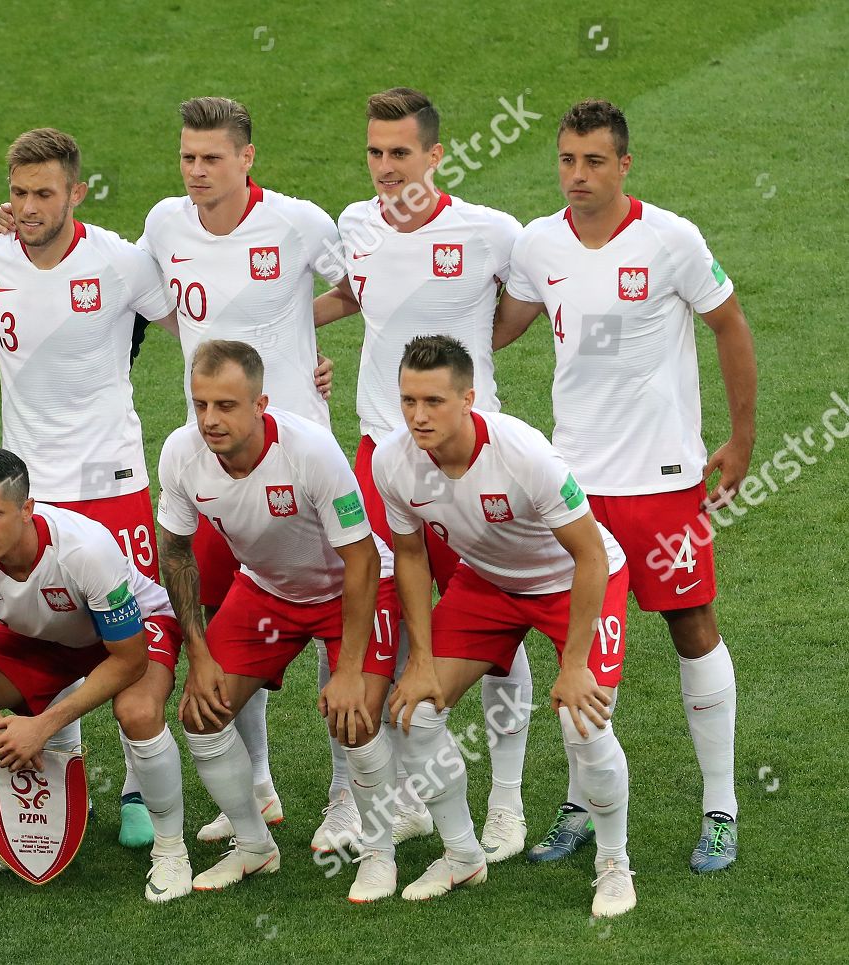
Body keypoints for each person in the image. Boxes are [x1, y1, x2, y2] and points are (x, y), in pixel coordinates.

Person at [493, 99, 756, 873]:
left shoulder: (671, 239)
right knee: (573, 640)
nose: (577, 175)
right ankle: (580, 801)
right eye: (568, 160)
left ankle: (720, 805)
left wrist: (740, 440)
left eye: (594, 161)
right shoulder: (540, 244)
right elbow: (500, 326)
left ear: (624, 164)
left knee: (690, 624)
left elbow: (730, 325)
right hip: (573, 487)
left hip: (664, 481)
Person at [0, 127, 177, 847]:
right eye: (19, 193)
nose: (28, 207)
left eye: (43, 193)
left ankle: (134, 785)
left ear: (76, 192)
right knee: (40, 624)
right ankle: (47, 773)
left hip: (110, 479)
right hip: (24, 487)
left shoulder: (121, 261)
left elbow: (191, 328)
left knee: (128, 637)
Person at [312, 87, 533, 861]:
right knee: (399, 621)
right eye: (374, 151)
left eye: (399, 152)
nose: (383, 167)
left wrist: (473, 369)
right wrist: (277, 329)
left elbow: (525, 301)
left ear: (436, 155)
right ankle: (406, 793)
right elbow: (352, 295)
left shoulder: (490, 233)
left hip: (472, 457)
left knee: (499, 620)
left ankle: (505, 804)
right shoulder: (355, 223)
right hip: (381, 453)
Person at [373, 335, 635, 918]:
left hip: (574, 580)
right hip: (489, 583)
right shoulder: (391, 461)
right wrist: (418, 660)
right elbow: (410, 556)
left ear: (469, 398)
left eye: (434, 401)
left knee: (583, 720)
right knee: (414, 710)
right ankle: (462, 854)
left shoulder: (524, 453)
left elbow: (590, 555)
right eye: (409, 400)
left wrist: (571, 667)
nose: (418, 416)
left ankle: (614, 864)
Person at [0, 449, 193, 903]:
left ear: (27, 509)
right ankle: (1, 835)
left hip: (132, 631)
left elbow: (129, 660)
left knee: (138, 712)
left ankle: (171, 850)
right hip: (40, 635)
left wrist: (44, 726)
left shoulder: (85, 547)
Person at [155, 340, 381, 892]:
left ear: (261, 405)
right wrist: (200, 653)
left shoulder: (311, 450)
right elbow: (177, 551)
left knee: (356, 713)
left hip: (341, 589)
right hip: (267, 592)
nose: (209, 420)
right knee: (201, 713)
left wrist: (350, 668)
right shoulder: (182, 453)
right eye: (201, 404)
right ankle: (255, 844)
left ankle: (360, 819)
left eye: (226, 406)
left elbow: (363, 558)